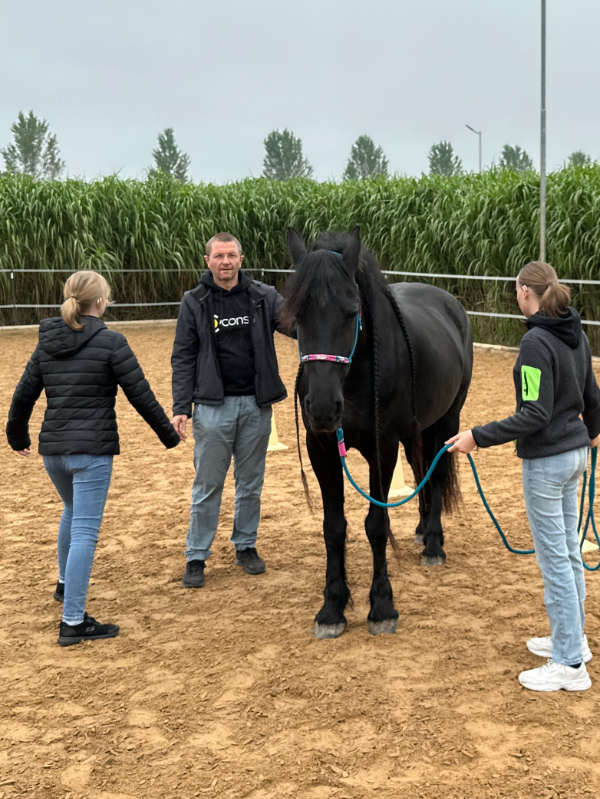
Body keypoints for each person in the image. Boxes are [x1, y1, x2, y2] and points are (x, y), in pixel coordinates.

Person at [446, 261, 600, 692]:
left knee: (556, 560)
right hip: (574, 455)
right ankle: (573, 640)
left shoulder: (535, 342)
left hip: (548, 463)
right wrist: (591, 433)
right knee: (568, 553)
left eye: (516, 290)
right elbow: (593, 395)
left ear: (525, 293)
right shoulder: (576, 332)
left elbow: (534, 414)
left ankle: (569, 663)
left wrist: (477, 437)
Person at [6, 271, 180, 646]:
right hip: (91, 452)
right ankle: (73, 621)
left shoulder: (47, 341)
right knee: (85, 530)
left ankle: (64, 583)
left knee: (71, 511)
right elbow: (141, 395)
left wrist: (17, 435)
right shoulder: (111, 341)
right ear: (101, 301)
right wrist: (169, 435)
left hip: (53, 452)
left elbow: (23, 394)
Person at [171, 232, 292, 588]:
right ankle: (196, 555)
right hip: (212, 408)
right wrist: (181, 406)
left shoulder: (264, 297)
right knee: (207, 485)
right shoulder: (194, 301)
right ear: (207, 260)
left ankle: (246, 545)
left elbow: (297, 325)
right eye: (219, 256)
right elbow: (183, 356)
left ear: (241, 259)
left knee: (250, 483)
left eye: (231, 255)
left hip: (256, 405)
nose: (226, 262)